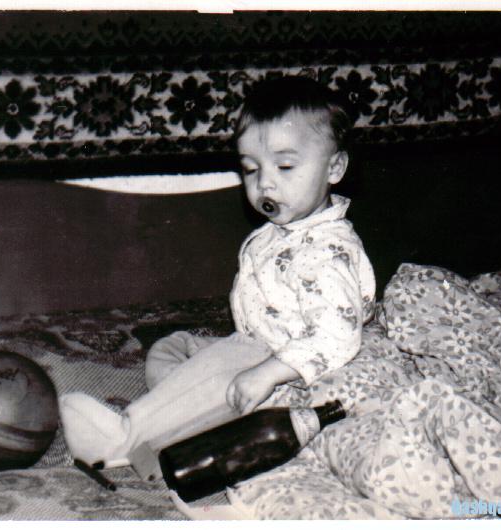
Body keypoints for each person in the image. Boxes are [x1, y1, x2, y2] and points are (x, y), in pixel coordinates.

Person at [59, 75, 376, 469]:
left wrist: (268, 373)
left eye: (285, 165)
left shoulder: (327, 252)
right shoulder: (287, 229)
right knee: (174, 349)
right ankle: (187, 423)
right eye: (251, 169)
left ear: (335, 167)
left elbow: (337, 335)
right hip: (255, 343)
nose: (265, 183)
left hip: (283, 364)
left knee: (219, 369)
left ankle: (121, 439)